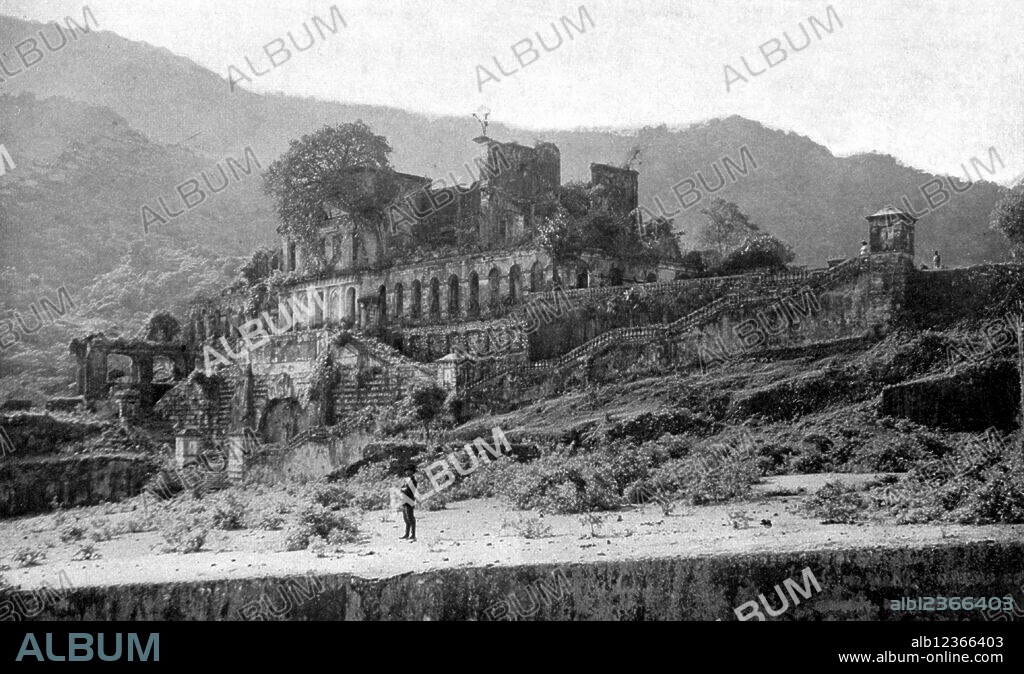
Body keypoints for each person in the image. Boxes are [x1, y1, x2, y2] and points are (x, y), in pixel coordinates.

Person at [399, 466, 417, 541]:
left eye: (409, 470)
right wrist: (403, 490)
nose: (407, 472)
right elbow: (402, 489)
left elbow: (409, 490)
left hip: (409, 500)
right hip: (404, 500)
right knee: (406, 518)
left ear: (412, 471)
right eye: (406, 470)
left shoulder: (413, 480)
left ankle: (413, 535)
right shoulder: (406, 480)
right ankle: (407, 534)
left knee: (410, 518)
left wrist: (404, 490)